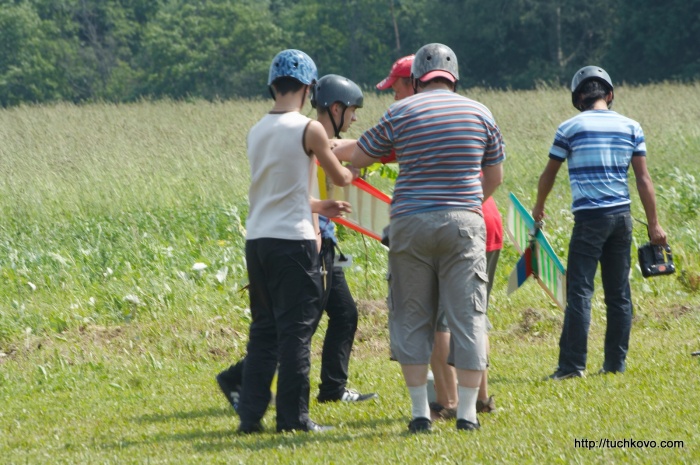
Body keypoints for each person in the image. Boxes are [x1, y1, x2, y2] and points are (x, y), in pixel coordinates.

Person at [351, 43, 505, 433]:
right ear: (454, 78)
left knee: (412, 316)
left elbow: (364, 156)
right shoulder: (480, 112)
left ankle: (421, 412)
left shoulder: (400, 111)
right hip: (464, 224)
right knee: (467, 317)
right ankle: (468, 414)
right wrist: (468, 204)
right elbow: (495, 176)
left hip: (411, 223)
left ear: (417, 79)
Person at [216, 75, 376, 411]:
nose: (355, 117)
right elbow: (334, 166)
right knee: (300, 327)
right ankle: (245, 380)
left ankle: (330, 385)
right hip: (310, 243)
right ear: (335, 108)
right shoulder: (312, 137)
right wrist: (372, 158)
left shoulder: (307, 136)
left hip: (310, 240)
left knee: (335, 316)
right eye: (352, 110)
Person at [236, 49, 356, 434]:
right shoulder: (310, 128)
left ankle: (250, 417)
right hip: (294, 241)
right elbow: (340, 177)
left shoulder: (256, 131)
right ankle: (293, 419)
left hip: (258, 241)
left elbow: (280, 191)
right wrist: (352, 169)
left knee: (263, 332)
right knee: (296, 333)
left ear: (273, 86)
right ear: (308, 89)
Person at [532, 65, 667, 380]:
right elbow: (644, 179)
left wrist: (539, 207)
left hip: (590, 217)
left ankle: (571, 367)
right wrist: (654, 225)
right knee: (619, 292)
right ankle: (614, 365)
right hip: (622, 218)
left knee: (580, 290)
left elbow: (548, 174)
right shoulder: (631, 126)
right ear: (609, 94)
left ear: (579, 98)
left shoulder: (569, 128)